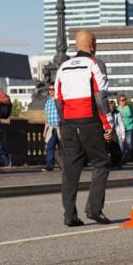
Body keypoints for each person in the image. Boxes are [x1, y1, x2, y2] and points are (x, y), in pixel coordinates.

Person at [54, 29, 113, 226]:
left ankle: (69, 215)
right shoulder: (95, 64)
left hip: (69, 123)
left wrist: (65, 123)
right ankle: (94, 209)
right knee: (101, 163)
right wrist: (108, 125)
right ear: (92, 44)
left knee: (70, 170)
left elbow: (58, 100)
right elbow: (100, 97)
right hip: (90, 121)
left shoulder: (62, 67)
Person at [43, 83, 61, 171]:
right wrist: (45, 130)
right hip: (51, 128)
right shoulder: (48, 102)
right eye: (49, 89)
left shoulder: (60, 100)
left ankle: (67, 166)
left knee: (64, 148)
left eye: (52, 89)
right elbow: (46, 117)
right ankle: (49, 166)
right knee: (50, 147)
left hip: (61, 127)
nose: (50, 91)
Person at [116, 94, 133, 164]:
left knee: (129, 144)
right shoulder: (116, 109)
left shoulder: (130, 107)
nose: (124, 101)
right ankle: (123, 159)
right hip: (120, 129)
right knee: (121, 145)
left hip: (129, 128)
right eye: (122, 100)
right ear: (119, 101)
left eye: (125, 100)